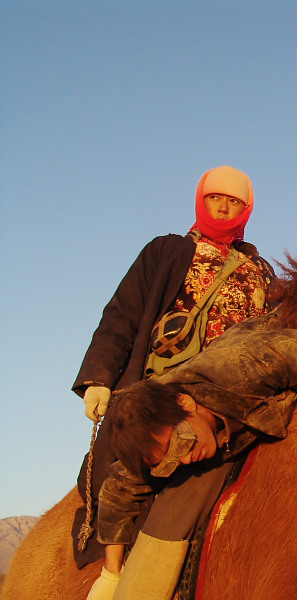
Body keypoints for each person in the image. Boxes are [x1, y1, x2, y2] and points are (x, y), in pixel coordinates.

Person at [86, 316, 297, 600]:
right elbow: (118, 489)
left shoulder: (246, 367)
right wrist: (112, 575)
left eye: (180, 443)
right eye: (168, 462)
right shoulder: (152, 438)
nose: (184, 460)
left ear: (185, 403)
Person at [72, 166, 274, 567]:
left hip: (237, 391)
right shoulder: (167, 251)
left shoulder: (261, 270)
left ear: (247, 209)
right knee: (138, 475)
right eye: (215, 198)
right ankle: (117, 575)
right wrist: (99, 378)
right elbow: (123, 313)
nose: (223, 208)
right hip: (168, 392)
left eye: (234, 202)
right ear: (200, 201)